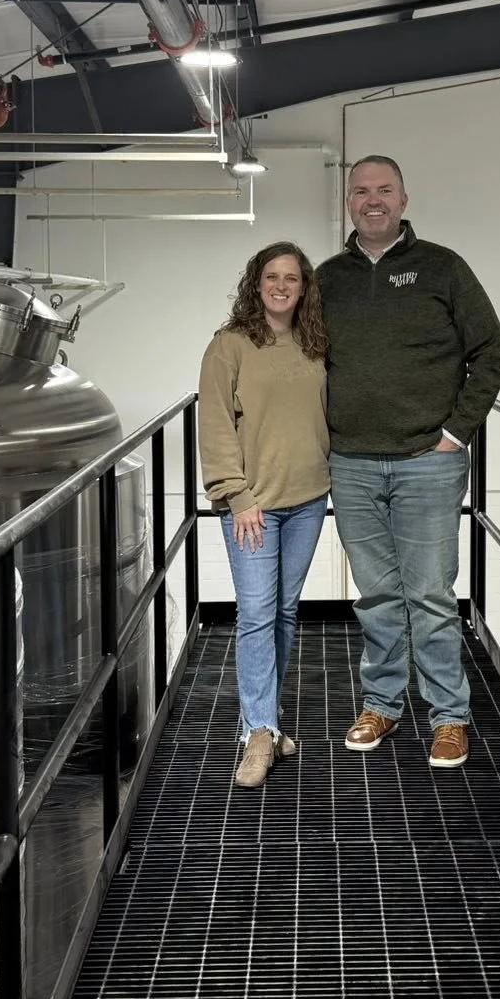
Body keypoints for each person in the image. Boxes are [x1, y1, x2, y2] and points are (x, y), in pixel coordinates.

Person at [316, 155, 500, 770]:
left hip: (429, 460)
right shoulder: (327, 279)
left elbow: (492, 353)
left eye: (384, 190)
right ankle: (382, 704)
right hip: (351, 462)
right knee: (375, 594)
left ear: (403, 198)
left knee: (428, 593)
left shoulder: (443, 268)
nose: (372, 200)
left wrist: (456, 432)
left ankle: (449, 717)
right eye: (361, 191)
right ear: (349, 201)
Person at [198, 242, 332, 788]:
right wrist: (236, 495)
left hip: (308, 499)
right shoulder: (228, 346)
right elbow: (214, 425)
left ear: (304, 288)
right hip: (253, 504)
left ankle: (269, 722)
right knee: (255, 613)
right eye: (271, 276)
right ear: (256, 284)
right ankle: (257, 733)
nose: (281, 286)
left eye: (292, 278)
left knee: (283, 611)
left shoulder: (314, 342)